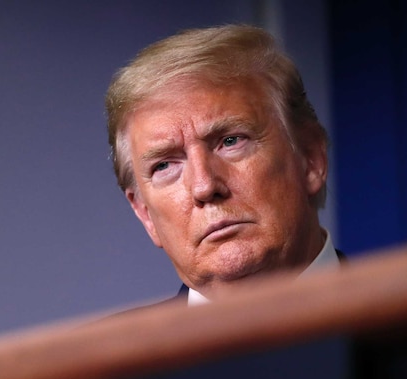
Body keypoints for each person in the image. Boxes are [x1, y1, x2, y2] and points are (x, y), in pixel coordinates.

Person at [105, 24, 340, 305]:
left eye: (230, 141)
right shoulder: (102, 350)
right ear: (144, 213)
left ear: (310, 158)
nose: (204, 186)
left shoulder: (404, 329)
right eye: (165, 166)